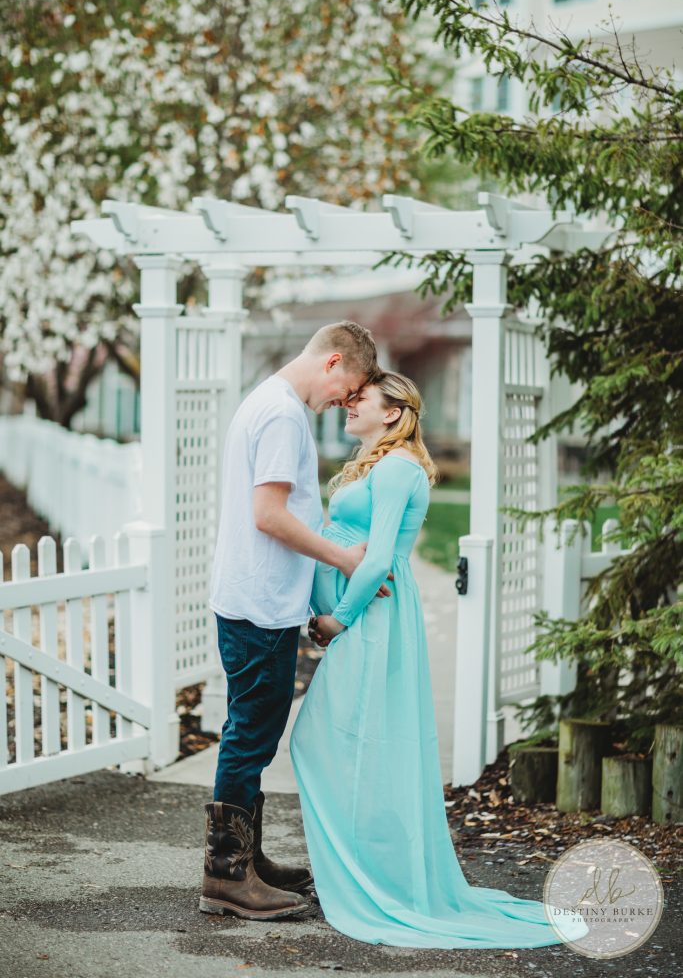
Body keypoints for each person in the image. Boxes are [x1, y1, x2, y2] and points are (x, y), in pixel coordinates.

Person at [290, 371, 589, 950]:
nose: (348, 407)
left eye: (360, 401)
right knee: (340, 745)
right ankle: (358, 871)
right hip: (363, 620)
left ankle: (371, 880)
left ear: (395, 414)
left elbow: (377, 560)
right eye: (348, 399)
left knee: (331, 744)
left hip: (370, 623)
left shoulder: (399, 467)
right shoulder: (379, 463)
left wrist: (335, 621)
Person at [200, 320, 392, 922]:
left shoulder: (268, 400)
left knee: (253, 728)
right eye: (350, 387)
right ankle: (226, 876)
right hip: (257, 606)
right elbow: (269, 516)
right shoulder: (283, 416)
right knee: (251, 733)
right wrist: (343, 558)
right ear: (333, 362)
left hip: (257, 600)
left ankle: (247, 860)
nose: (345, 401)